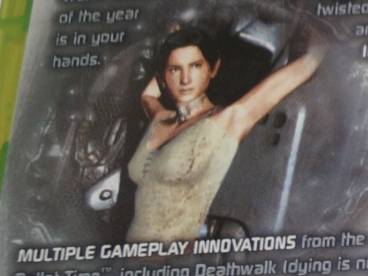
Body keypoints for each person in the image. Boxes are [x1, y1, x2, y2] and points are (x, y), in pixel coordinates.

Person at [125, 26, 323, 242]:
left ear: (212, 69)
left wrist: (318, 49)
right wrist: (173, 41)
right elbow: (147, 96)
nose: (185, 79)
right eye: (175, 70)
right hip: (128, 255)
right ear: (163, 77)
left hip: (172, 260)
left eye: (195, 66)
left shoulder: (221, 122)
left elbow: (298, 70)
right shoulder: (160, 119)